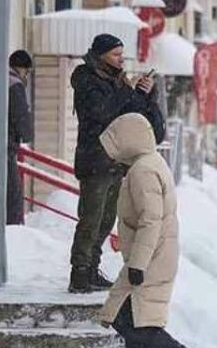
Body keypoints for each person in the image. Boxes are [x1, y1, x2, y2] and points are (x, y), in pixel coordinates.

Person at [96, 113, 198, 348]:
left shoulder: (143, 171)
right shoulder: (148, 164)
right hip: (153, 253)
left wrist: (138, 263)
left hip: (151, 256)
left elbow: (150, 220)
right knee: (132, 319)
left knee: (130, 319)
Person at [69, 33, 166, 294]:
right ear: (101, 55)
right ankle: (79, 271)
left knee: (106, 219)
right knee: (91, 218)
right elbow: (102, 112)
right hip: (94, 158)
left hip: (116, 160)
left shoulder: (117, 81)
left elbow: (133, 113)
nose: (121, 60)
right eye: (116, 55)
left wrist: (146, 94)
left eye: (122, 55)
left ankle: (92, 268)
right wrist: (129, 93)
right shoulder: (86, 79)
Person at [7, 50, 35, 225]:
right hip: (7, 144)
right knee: (13, 194)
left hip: (0, 142)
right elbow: (20, 116)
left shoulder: (2, 79)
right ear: (23, 69)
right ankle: (15, 231)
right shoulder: (15, 85)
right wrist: (26, 135)